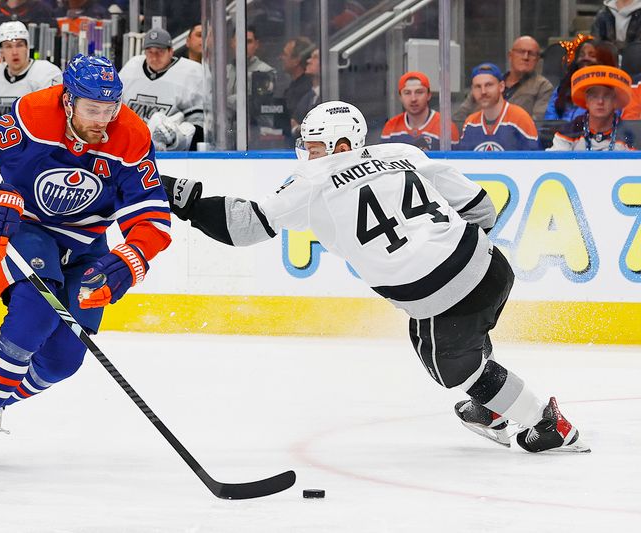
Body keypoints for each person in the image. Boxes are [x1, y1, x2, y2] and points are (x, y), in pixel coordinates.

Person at [161, 100, 589, 454]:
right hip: (492, 266)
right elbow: (481, 209)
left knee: (453, 370)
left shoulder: (313, 180)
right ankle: (494, 408)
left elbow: (244, 226)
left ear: (341, 144)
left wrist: (176, 194)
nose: (307, 155)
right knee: (448, 336)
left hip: (438, 295)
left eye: (314, 147)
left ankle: (547, 424)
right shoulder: (403, 153)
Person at [0, 54, 172, 469]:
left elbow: (152, 216)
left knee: (64, 360)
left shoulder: (131, 136)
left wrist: (132, 257)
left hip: (87, 244)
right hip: (29, 230)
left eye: (110, 108)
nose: (103, 119)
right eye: (92, 109)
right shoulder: (31, 117)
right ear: (68, 101)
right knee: (37, 313)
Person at [119, 28, 204, 151]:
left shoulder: (191, 73)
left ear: (171, 51)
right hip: (129, 147)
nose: (154, 57)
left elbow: (199, 123)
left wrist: (177, 136)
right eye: (150, 52)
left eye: (160, 52)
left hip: (169, 155)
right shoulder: (131, 67)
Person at [453, 36, 553, 122]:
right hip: (478, 137)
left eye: (531, 54)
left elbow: (538, 123)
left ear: (538, 60)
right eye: (521, 52)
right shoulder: (489, 82)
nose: (525, 57)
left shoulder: (543, 86)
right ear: (510, 55)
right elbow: (459, 117)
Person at [549, 65, 636, 150]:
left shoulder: (627, 135)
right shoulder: (569, 131)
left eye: (606, 96)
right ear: (586, 100)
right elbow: (553, 162)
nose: (600, 101)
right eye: (594, 96)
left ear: (615, 101)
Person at [457, 63, 540, 151]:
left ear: (501, 87)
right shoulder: (470, 123)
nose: (483, 91)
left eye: (489, 85)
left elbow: (534, 161)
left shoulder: (520, 119)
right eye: (478, 86)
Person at [381, 71, 460, 151]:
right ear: (400, 97)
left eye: (419, 92)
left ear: (429, 95)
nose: (413, 99)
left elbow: (455, 162)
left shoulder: (446, 127)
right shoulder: (391, 127)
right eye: (407, 93)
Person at [544, 36, 618, 121]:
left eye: (592, 55)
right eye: (582, 55)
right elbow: (549, 120)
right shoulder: (562, 89)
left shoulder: (611, 91)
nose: (585, 58)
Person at [280, 36, 315, 130]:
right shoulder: (293, 86)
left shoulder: (306, 89)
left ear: (296, 60)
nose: (281, 58)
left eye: (285, 54)